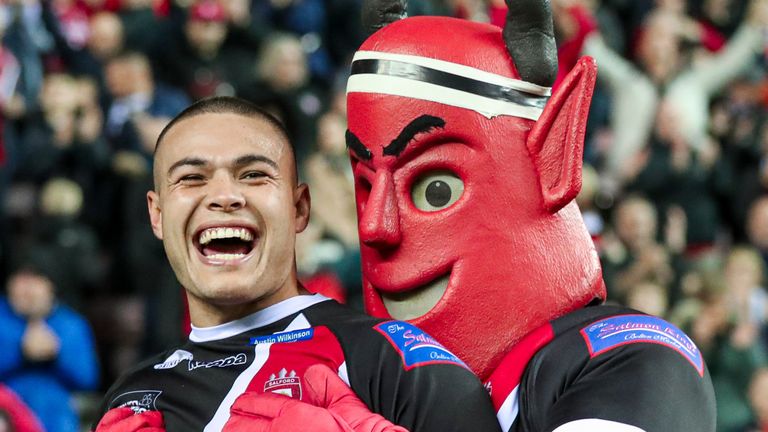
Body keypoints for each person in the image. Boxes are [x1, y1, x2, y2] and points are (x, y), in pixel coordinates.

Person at [338, 0, 717, 430]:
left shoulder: (634, 358)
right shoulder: (346, 369)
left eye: (435, 189)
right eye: (367, 187)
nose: (376, 227)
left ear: (555, 161)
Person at [94, 96, 500, 432]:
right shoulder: (131, 397)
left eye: (252, 174)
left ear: (299, 208)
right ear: (158, 215)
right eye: (192, 178)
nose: (223, 196)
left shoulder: (387, 359)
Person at [0, 260, 100, 432]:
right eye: (20, 280)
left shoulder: (71, 324)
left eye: (35, 280)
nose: (27, 289)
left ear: (51, 286)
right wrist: (21, 353)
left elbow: (88, 379)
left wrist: (56, 355)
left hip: (57, 413)